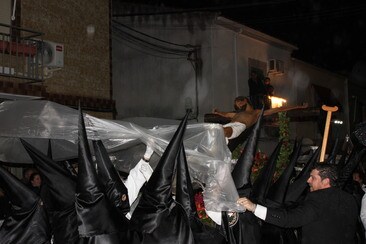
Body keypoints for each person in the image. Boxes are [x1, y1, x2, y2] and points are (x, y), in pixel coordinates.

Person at [237, 163, 359, 244]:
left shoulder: (318, 199)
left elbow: (289, 219)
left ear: (326, 181)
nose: (308, 180)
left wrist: (254, 208)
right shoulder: (349, 199)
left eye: (313, 178)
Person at [214, 97, 308, 140]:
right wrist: (218, 112)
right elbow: (226, 114)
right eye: (236, 104)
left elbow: (279, 109)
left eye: (238, 102)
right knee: (214, 131)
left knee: (221, 132)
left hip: (237, 127)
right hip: (228, 126)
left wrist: (298, 106)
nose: (237, 105)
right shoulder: (237, 114)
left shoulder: (257, 112)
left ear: (245, 100)